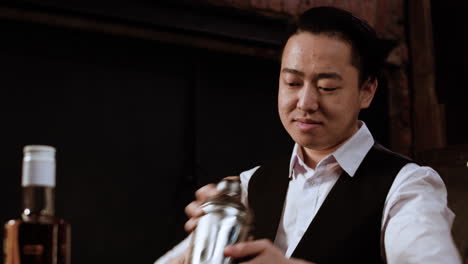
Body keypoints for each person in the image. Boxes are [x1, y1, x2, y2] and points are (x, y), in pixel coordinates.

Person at [155, 6, 461, 264]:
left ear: (366, 91)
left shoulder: (407, 186)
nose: (305, 103)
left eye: (327, 87)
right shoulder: (251, 184)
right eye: (292, 82)